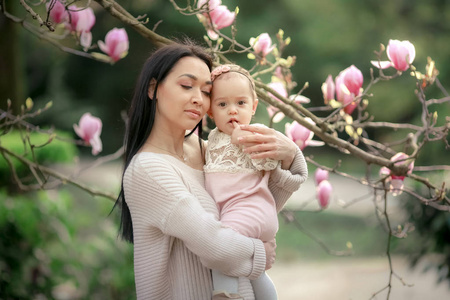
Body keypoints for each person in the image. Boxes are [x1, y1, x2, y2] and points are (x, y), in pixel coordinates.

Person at [115, 40, 308, 300]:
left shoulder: (210, 151)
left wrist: (289, 155)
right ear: (153, 89)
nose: (198, 99)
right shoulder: (148, 170)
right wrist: (260, 253)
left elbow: (260, 200)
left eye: (206, 92)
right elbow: (214, 244)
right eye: (186, 86)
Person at [204, 64, 290, 300]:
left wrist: (244, 138)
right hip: (236, 212)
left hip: (252, 209)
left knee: (221, 246)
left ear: (253, 107)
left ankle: (225, 294)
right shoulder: (212, 138)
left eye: (240, 103)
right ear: (210, 112)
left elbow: (271, 163)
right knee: (256, 273)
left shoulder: (257, 131)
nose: (232, 111)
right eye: (222, 104)